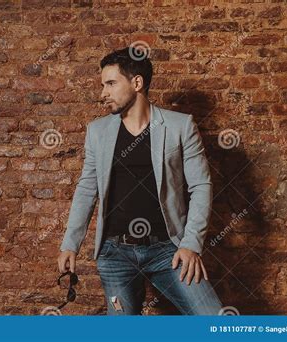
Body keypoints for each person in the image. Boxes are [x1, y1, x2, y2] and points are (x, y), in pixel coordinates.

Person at [57, 47, 223, 315]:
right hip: (114, 254)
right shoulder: (97, 132)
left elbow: (201, 186)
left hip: (168, 250)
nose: (103, 93)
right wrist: (70, 244)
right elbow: (87, 189)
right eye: (102, 85)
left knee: (215, 319)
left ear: (137, 83)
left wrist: (191, 244)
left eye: (111, 84)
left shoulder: (181, 126)